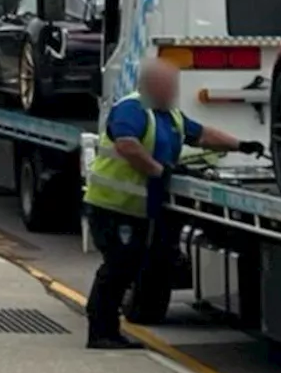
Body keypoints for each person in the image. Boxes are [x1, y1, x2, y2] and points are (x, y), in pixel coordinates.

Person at [83, 58, 265, 349]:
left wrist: (241, 145)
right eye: (169, 86)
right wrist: (158, 170)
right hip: (113, 207)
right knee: (117, 268)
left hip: (136, 209)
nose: (173, 92)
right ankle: (101, 331)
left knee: (128, 267)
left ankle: (107, 329)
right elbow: (126, 144)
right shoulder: (133, 108)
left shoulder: (171, 116)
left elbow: (203, 135)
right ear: (152, 85)